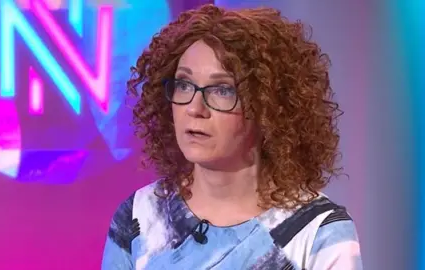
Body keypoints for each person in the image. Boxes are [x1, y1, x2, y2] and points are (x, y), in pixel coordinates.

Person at [101, 4, 362, 270]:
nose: (194, 108)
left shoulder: (318, 231)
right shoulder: (138, 217)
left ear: (268, 107)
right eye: (183, 85)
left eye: (222, 90)